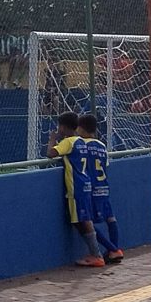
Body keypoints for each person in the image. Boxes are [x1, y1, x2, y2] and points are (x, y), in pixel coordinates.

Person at [49, 112, 107, 268]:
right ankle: (95, 253)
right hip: (85, 183)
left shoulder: (69, 142)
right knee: (79, 220)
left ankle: (97, 255)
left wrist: (52, 139)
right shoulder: (81, 141)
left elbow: (51, 153)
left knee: (84, 220)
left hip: (76, 187)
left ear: (62, 127)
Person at [79, 115, 122, 263]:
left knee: (85, 221)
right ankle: (115, 248)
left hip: (90, 189)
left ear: (81, 129)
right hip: (103, 186)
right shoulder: (102, 146)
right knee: (110, 218)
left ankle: (113, 249)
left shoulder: (81, 145)